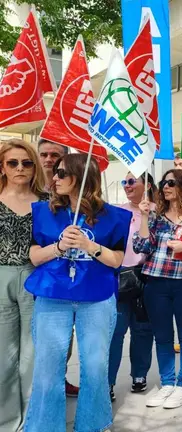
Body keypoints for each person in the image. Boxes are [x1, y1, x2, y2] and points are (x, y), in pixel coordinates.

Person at [24, 154, 131, 432]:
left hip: (96, 298)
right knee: (48, 367)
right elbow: (35, 256)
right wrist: (59, 247)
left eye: (62, 173)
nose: (54, 178)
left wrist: (89, 246)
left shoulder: (114, 217)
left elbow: (117, 260)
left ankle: (93, 425)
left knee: (95, 366)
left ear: (81, 177)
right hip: (52, 295)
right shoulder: (44, 212)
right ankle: (44, 427)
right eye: (55, 172)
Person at [133, 169, 182, 410]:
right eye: (164, 183)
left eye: (171, 182)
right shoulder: (156, 217)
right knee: (162, 337)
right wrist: (143, 217)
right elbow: (141, 246)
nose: (166, 187)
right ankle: (168, 382)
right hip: (156, 282)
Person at [0, 140, 46, 431]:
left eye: (27, 163)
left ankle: (32, 420)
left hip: (35, 277)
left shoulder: (46, 201)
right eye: (12, 162)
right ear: (2, 167)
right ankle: (6, 422)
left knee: (33, 354)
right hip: (0, 277)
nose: (20, 168)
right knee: (3, 355)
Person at [36, 139, 79, 398]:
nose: (49, 159)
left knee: (62, 335)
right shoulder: (28, 188)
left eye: (55, 154)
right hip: (31, 269)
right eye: (44, 154)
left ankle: (58, 379)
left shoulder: (71, 194)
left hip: (63, 275)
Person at [108, 173, 157, 401]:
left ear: (147, 185)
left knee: (143, 330)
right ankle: (108, 381)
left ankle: (139, 374)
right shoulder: (116, 211)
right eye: (124, 182)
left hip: (146, 278)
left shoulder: (158, 212)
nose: (127, 186)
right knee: (115, 332)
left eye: (131, 181)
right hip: (120, 278)